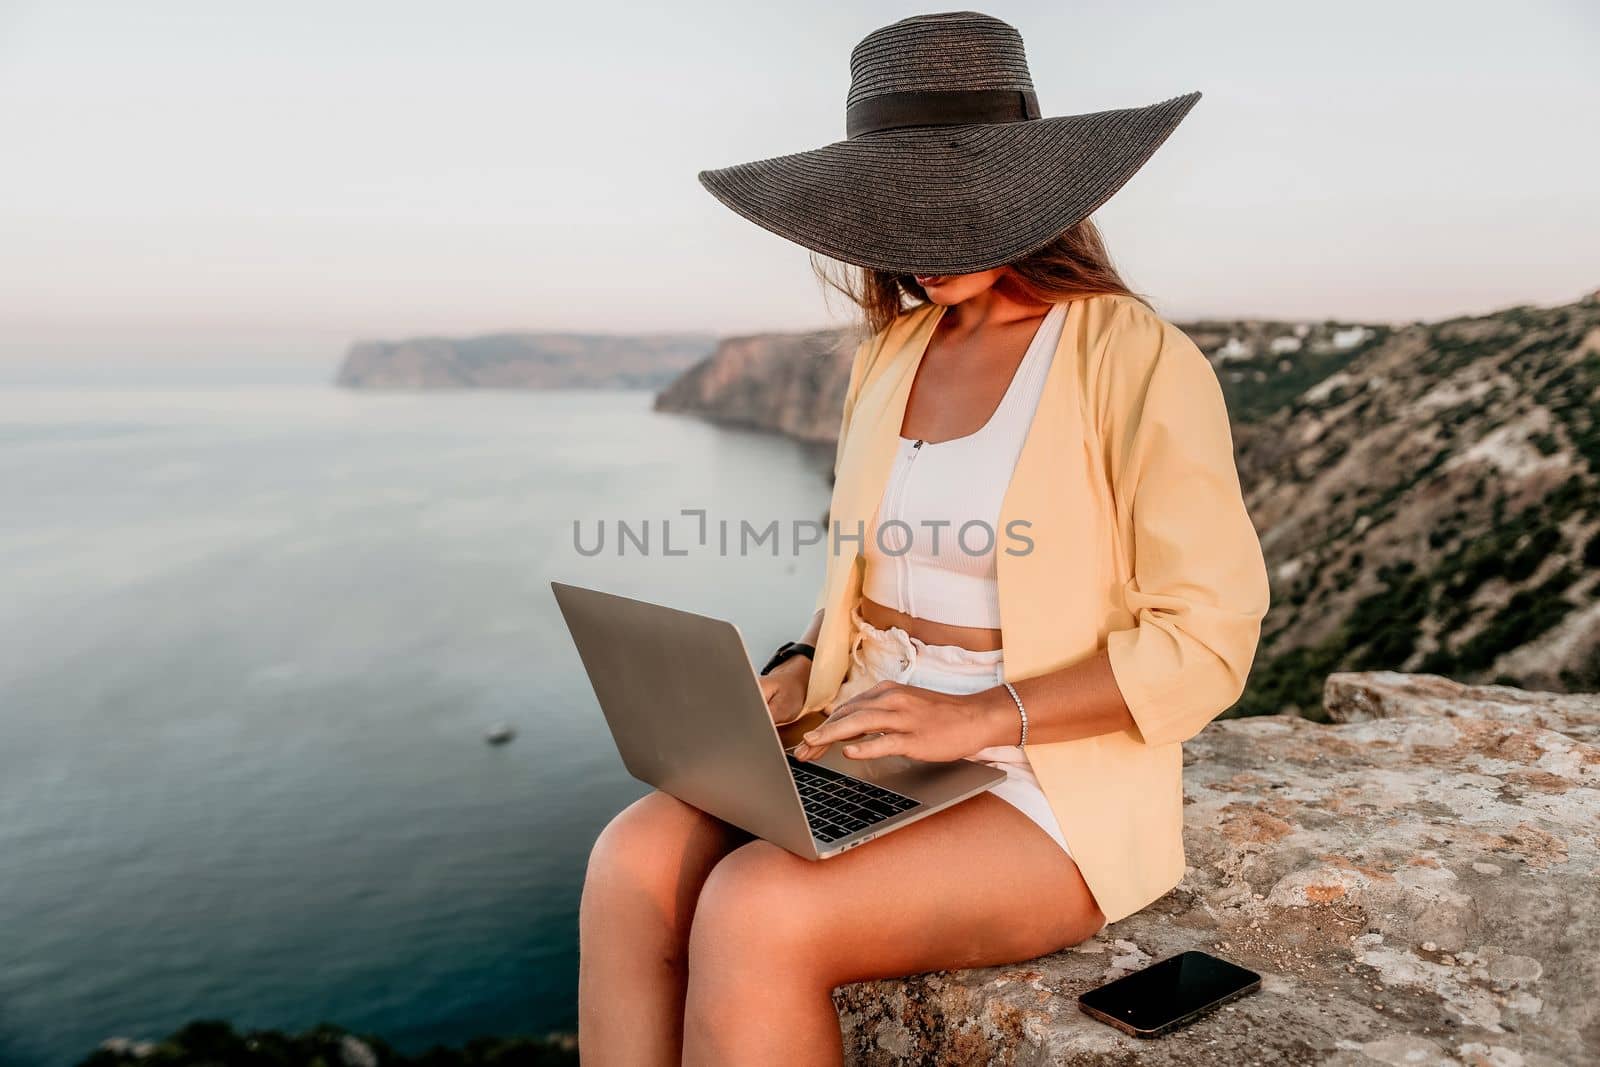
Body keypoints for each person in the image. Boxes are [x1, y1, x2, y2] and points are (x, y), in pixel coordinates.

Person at [579, 11, 1272, 1065]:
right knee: (629, 858)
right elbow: (874, 574)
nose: (922, 246)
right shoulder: (888, 355)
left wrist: (980, 715)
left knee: (757, 907)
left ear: (1029, 196)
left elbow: (1209, 640)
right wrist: (800, 663)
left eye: (951, 211)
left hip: (1045, 773)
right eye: (895, 213)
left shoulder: (1132, 356)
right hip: (871, 731)